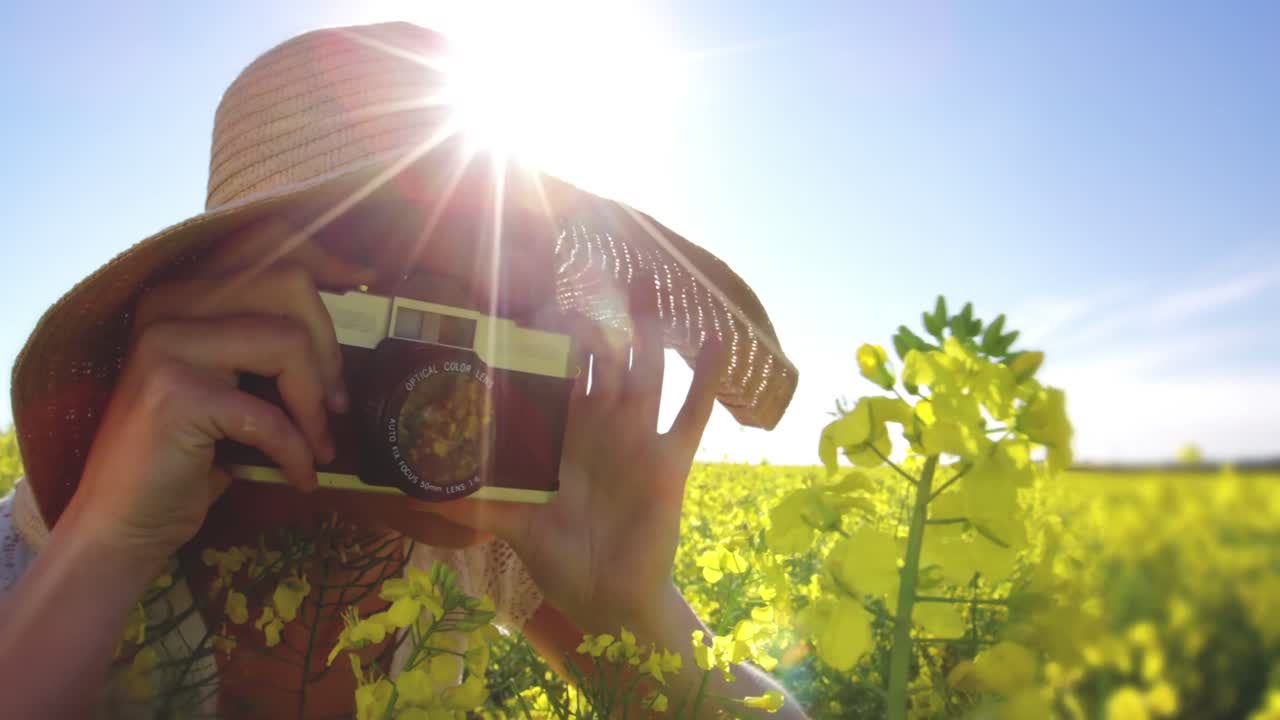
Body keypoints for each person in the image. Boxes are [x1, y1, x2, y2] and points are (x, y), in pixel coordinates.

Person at [0, 21, 801, 719]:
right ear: (226, 301)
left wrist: (633, 609)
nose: (450, 392)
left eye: (500, 325)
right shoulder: (40, 546)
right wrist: (105, 542)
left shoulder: (474, 550)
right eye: (393, 321)